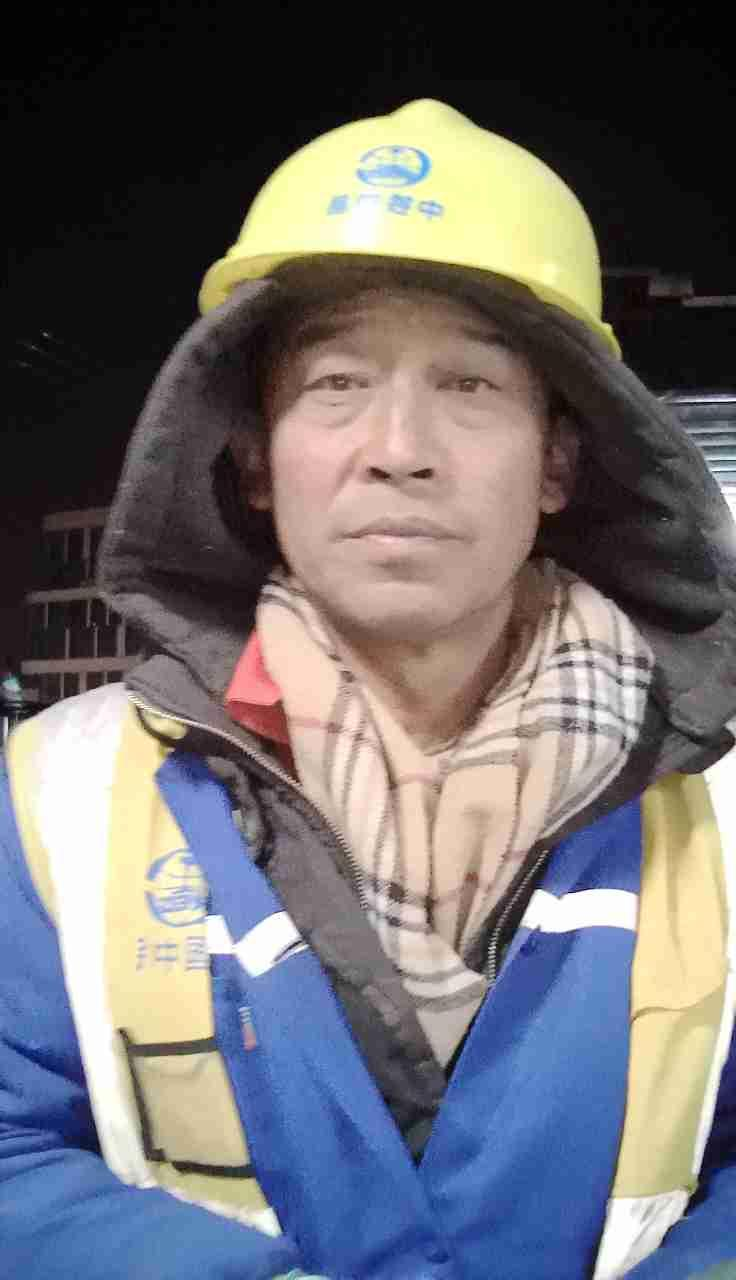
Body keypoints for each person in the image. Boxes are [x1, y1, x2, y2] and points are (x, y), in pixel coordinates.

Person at [1, 100, 734, 1280]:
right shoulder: (56, 798)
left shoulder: (716, 803)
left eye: (471, 384)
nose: (399, 446)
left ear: (557, 459)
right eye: (337, 381)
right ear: (253, 456)